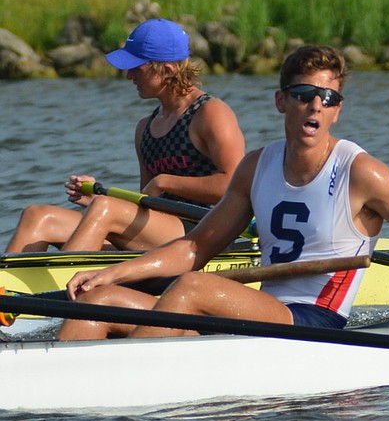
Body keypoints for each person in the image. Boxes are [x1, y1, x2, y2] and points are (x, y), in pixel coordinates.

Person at [57, 45, 389, 340]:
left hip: (313, 323)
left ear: (337, 108)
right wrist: (114, 272)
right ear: (280, 102)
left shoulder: (361, 172)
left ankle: (140, 403)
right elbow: (197, 247)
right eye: (304, 95)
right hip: (257, 306)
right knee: (98, 301)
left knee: (193, 289)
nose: (316, 107)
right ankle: (57, 409)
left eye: (328, 98)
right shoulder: (255, 167)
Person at [5, 18, 245, 253]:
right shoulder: (145, 128)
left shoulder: (210, 113)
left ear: (167, 70)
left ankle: (67, 288)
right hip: (159, 231)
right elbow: (146, 200)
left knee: (105, 209)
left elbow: (235, 185)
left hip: (206, 231)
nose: (129, 76)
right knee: (38, 216)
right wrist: (94, 202)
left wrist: (164, 181)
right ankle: (10, 289)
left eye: (137, 68)